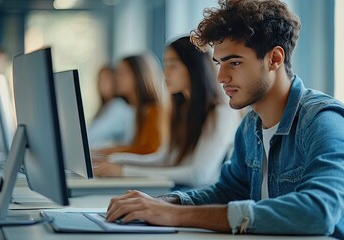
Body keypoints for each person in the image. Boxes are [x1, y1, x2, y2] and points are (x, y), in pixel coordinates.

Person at [103, 0, 344, 239]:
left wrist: (174, 214)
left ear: (275, 59)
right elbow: (229, 190)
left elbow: (318, 211)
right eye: (219, 62)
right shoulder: (250, 126)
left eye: (234, 63)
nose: (220, 77)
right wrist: (166, 202)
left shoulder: (325, 121)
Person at [92, 36, 241, 189]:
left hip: (200, 197)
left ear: (193, 67)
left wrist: (123, 171)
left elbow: (197, 174)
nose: (165, 73)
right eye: (165, 65)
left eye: (172, 65)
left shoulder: (221, 112)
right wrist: (115, 160)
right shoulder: (182, 109)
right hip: (180, 192)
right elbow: (164, 159)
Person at [93, 53, 167, 157]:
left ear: (139, 75)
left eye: (123, 73)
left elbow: (150, 150)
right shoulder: (135, 110)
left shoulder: (154, 110)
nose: (117, 78)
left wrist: (110, 152)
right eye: (117, 73)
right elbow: (136, 147)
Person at [87, 65, 135, 148]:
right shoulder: (105, 108)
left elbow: (93, 134)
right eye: (99, 80)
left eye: (106, 79)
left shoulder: (119, 107)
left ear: (115, 81)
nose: (101, 84)